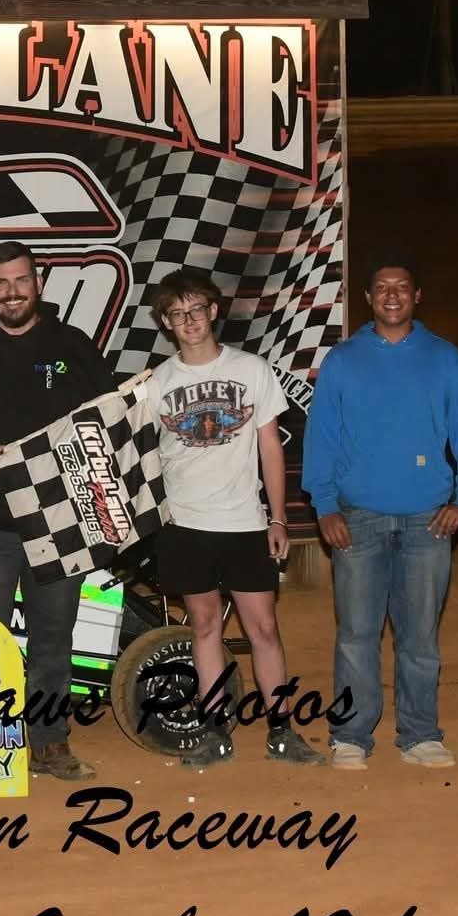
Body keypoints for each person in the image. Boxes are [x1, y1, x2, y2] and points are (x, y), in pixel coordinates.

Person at [0, 242, 113, 781]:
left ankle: (50, 741)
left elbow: (108, 427)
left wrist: (105, 509)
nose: (12, 292)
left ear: (38, 284)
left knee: (54, 635)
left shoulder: (73, 347)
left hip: (61, 522)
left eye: (21, 280)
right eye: (2, 283)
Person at [302, 256, 458, 772]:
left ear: (417, 295)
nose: (391, 295)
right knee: (356, 636)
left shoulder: (445, 359)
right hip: (357, 519)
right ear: (367, 298)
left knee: (419, 637)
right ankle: (350, 737)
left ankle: (420, 735)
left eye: (401, 287)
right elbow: (321, 438)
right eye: (382, 287)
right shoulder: (343, 360)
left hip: (427, 521)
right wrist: (324, 506)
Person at [144, 269, 326, 768]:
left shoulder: (252, 370)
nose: (189, 321)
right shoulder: (156, 383)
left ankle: (282, 731)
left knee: (263, 628)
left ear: (213, 311)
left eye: (196, 310)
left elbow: (271, 447)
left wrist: (278, 519)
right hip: (185, 523)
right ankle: (213, 732)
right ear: (166, 322)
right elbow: (142, 456)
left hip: (245, 522)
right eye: (177, 314)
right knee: (204, 626)